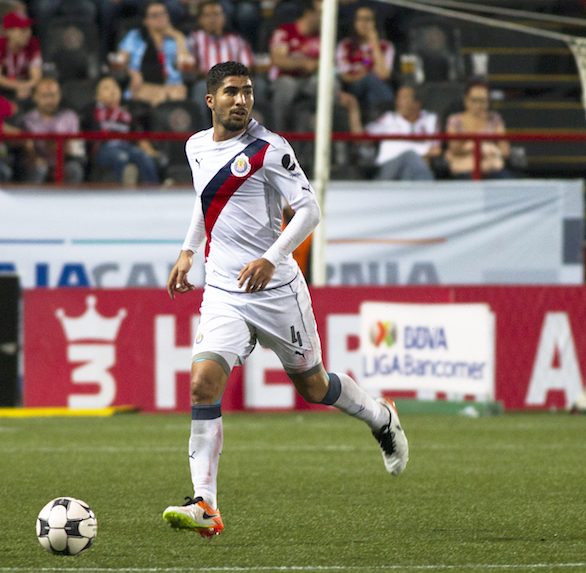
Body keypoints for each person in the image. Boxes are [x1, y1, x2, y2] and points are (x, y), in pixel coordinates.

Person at [161, 61, 409, 537]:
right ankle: (205, 504)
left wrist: (272, 259)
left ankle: (381, 416)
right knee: (202, 386)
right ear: (210, 100)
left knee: (313, 388)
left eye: (247, 92)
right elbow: (205, 199)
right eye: (231, 92)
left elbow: (310, 210)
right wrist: (188, 251)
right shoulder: (196, 147)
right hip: (224, 292)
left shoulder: (269, 149)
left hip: (276, 291)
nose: (241, 100)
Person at [346, 83, 440, 181]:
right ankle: (430, 188)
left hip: (411, 170)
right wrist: (353, 110)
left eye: (404, 98)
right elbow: (360, 139)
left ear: (417, 103)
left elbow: (436, 150)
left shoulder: (430, 119)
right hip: (388, 169)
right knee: (411, 156)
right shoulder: (389, 119)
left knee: (410, 166)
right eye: (398, 98)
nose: (399, 102)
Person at [84, 75, 160, 184]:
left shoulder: (127, 112)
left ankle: (153, 188)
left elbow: (137, 133)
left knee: (143, 156)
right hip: (104, 148)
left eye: (115, 87)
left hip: (125, 146)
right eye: (106, 88)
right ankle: (118, 192)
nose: (112, 91)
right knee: (121, 157)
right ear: (97, 96)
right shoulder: (92, 111)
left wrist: (148, 149)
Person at [115, 1, 192, 107]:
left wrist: (178, 38)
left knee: (177, 93)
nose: (161, 18)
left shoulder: (176, 39)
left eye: (163, 14)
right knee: (159, 96)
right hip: (142, 85)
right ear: (145, 20)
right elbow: (120, 61)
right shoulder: (134, 36)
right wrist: (131, 72)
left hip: (172, 85)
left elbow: (183, 66)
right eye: (155, 15)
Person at [186, 0, 254, 111]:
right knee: (200, 89)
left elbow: (247, 66)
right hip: (206, 82)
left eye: (216, 14)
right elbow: (188, 64)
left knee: (254, 87)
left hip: (234, 83)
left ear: (223, 18)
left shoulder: (236, 40)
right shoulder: (194, 39)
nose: (213, 19)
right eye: (208, 15)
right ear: (200, 20)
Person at [268, 0, 322, 132]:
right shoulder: (285, 31)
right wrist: (304, 63)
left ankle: (327, 134)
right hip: (284, 79)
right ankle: (279, 133)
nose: (323, 18)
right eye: (320, 13)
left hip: (309, 81)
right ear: (309, 13)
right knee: (287, 86)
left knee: (327, 85)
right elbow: (278, 59)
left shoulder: (320, 37)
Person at [19, 77, 86, 183]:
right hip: (38, 162)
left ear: (59, 96)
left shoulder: (70, 117)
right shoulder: (27, 119)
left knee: (75, 169)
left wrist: (64, 149)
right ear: (35, 97)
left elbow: (77, 149)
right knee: (39, 169)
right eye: (45, 96)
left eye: (53, 95)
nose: (50, 100)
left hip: (65, 161)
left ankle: (71, 195)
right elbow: (26, 149)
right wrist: (34, 158)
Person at [444, 78, 512, 179]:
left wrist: (488, 150)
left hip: (491, 168)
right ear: (466, 100)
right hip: (465, 169)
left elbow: (505, 150)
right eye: (475, 100)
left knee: (506, 178)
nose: (479, 105)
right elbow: (455, 149)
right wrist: (477, 148)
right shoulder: (455, 120)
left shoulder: (495, 119)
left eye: (483, 101)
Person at [335, 4, 394, 120]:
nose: (363, 24)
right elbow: (345, 77)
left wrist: (374, 43)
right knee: (370, 79)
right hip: (353, 88)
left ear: (375, 22)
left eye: (368, 19)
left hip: (375, 89)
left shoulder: (386, 46)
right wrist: (363, 75)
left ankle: (377, 119)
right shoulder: (346, 45)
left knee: (372, 82)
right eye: (360, 19)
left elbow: (384, 74)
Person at [0, 10, 43, 106]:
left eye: (28, 28)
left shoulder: (33, 43)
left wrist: (24, 87)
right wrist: (18, 86)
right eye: (22, 30)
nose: (27, 33)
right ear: (9, 31)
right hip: (3, 88)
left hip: (26, 89)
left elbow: (36, 77)